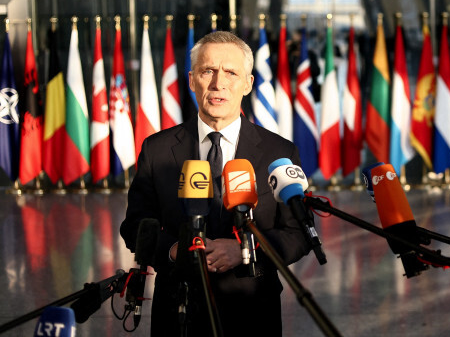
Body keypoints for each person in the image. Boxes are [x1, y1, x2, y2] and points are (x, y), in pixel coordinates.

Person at [120, 31, 311, 336]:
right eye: (208, 70)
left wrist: (245, 250)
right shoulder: (156, 150)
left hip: (252, 314)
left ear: (248, 83)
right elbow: (135, 226)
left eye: (231, 72)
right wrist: (174, 251)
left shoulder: (280, 152)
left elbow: (298, 233)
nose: (218, 83)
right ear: (192, 78)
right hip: (177, 313)